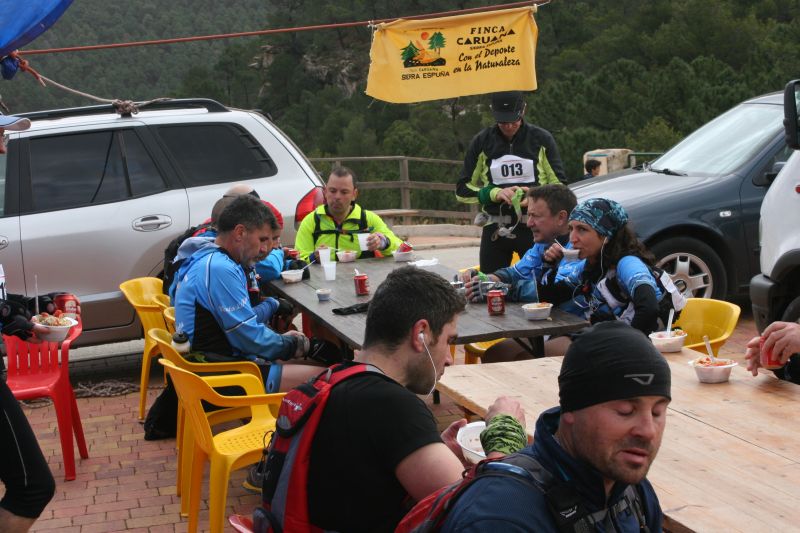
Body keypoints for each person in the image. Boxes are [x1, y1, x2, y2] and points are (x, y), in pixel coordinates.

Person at [282, 267, 526, 532]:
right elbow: (486, 514)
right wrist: (505, 432)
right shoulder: (392, 406)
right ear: (421, 333)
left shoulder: (334, 380)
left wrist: (423, 448)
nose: (448, 358)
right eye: (448, 341)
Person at [440, 321, 670, 532]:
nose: (648, 431)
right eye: (625, 411)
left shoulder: (632, 490)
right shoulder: (500, 518)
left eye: (657, 412)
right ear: (571, 409)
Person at [173, 194, 323, 393]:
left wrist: (284, 336)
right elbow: (249, 339)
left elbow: (243, 324)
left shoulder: (211, 257)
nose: (266, 249)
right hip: (219, 377)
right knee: (329, 378)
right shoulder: (219, 268)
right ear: (240, 233)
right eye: (262, 239)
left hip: (212, 366)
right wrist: (297, 345)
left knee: (314, 365)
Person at [538, 198, 685, 356]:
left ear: (606, 236)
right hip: (605, 335)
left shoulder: (628, 263)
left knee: (539, 353)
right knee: (524, 347)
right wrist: (550, 265)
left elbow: (649, 308)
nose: (572, 238)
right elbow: (550, 298)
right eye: (571, 229)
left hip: (638, 348)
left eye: (582, 229)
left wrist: (623, 349)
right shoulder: (590, 265)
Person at [456, 91, 567, 273]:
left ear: (524, 110)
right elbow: (462, 189)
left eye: (514, 120)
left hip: (534, 227)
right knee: (491, 285)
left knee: (539, 285)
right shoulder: (482, 141)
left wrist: (535, 196)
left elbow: (560, 187)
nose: (508, 126)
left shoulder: (541, 139)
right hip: (495, 228)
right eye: (502, 121)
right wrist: (494, 193)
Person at [294, 166, 403, 262]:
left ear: (354, 194)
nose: (337, 197)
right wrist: (313, 257)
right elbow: (299, 259)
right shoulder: (312, 221)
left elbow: (400, 248)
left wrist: (382, 243)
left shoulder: (367, 219)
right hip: (323, 278)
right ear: (325, 192)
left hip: (362, 276)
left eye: (344, 192)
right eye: (332, 191)